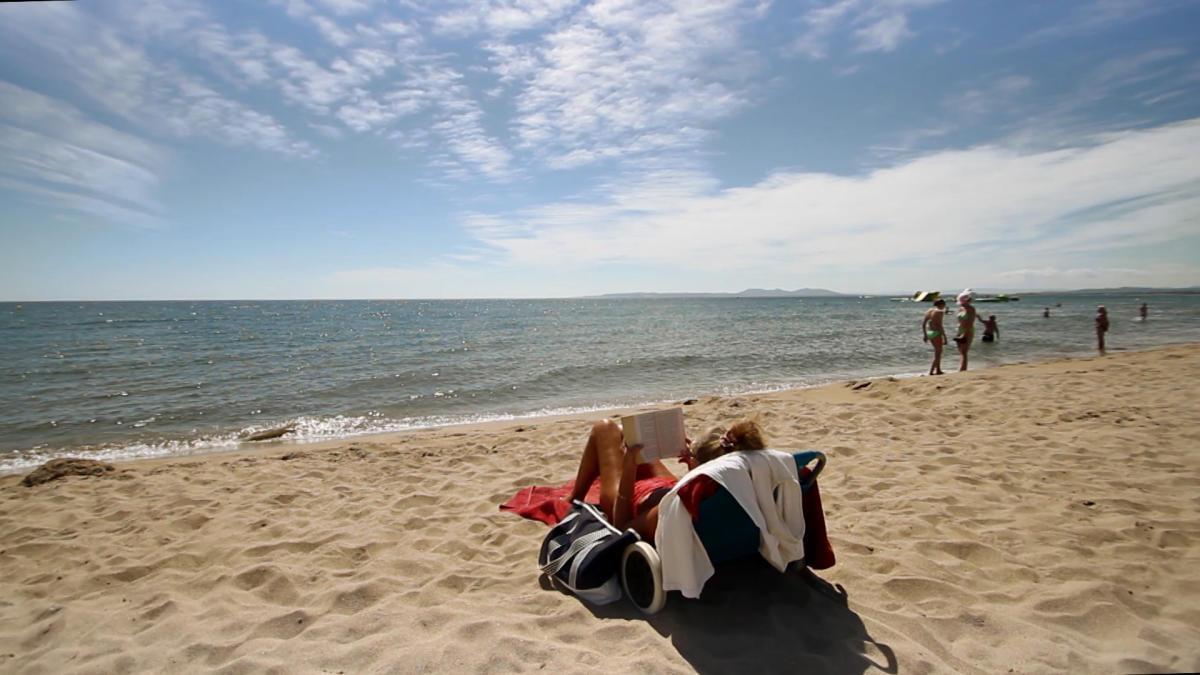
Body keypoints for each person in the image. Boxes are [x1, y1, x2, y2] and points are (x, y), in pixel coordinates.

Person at [566, 418, 766, 540]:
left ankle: (574, 499)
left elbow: (621, 527)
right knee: (631, 436)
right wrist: (693, 466)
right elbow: (701, 491)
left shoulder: (668, 513)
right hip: (672, 490)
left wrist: (629, 467)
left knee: (605, 427)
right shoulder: (743, 489)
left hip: (637, 500)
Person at [953, 289, 977, 371]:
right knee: (960, 351)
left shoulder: (971, 309)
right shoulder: (961, 308)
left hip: (968, 330)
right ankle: (961, 368)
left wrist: (965, 333)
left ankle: (962, 369)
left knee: (964, 351)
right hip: (960, 329)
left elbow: (970, 322)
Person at [922, 298, 947, 375]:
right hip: (936, 333)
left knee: (937, 352)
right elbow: (940, 326)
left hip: (930, 332)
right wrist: (945, 337)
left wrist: (925, 335)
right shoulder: (940, 312)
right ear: (942, 305)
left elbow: (923, 324)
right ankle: (932, 371)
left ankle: (938, 370)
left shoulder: (929, 311)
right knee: (938, 353)